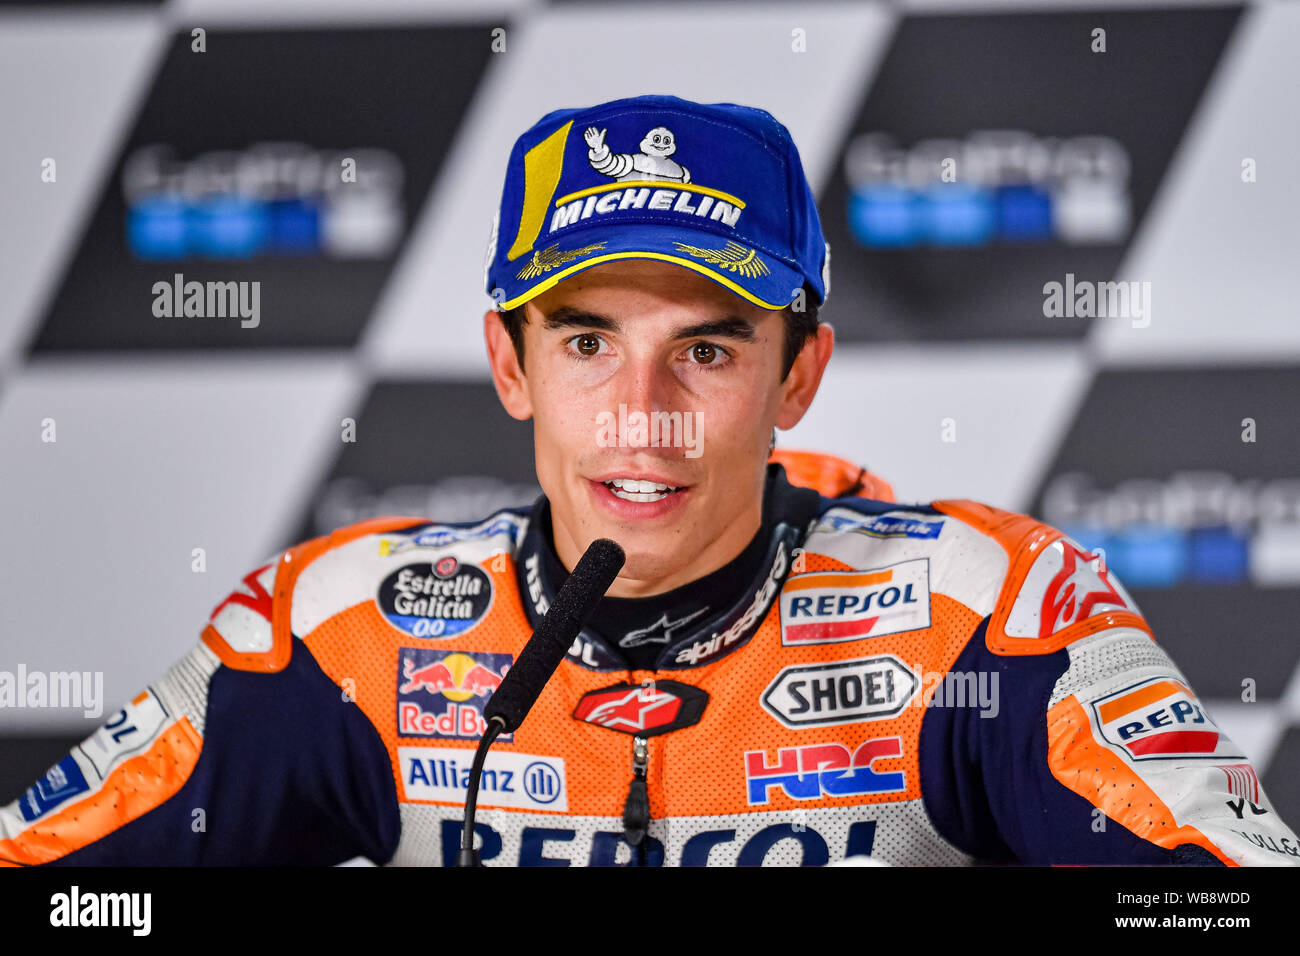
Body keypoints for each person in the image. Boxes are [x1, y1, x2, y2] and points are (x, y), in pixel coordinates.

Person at [3, 95, 1296, 868]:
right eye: (585, 343)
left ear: (799, 378)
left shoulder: (991, 611)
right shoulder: (342, 628)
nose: (641, 417)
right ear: (509, 366)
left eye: (709, 349)